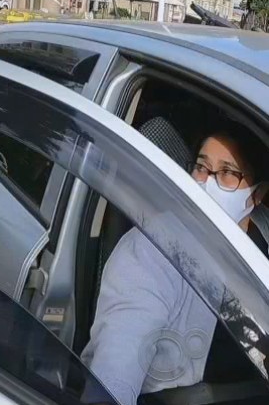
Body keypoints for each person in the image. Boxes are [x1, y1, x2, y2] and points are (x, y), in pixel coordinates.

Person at [82, 127, 268, 405]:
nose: (207, 182)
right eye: (202, 168)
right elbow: (120, 352)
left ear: (257, 193)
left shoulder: (263, 235)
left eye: (227, 172)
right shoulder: (155, 247)